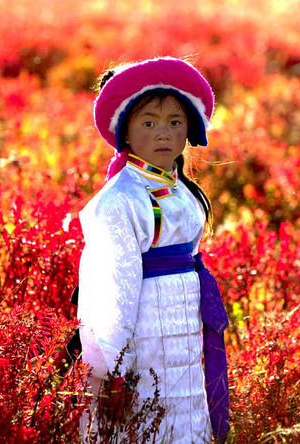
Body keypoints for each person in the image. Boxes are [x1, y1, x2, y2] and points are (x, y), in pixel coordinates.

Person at [75, 57, 230, 443]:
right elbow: (111, 294)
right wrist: (112, 369)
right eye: (149, 122)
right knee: (143, 422)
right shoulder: (118, 201)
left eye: (175, 122)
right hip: (141, 335)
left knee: (187, 418)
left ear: (189, 131)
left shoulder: (184, 189)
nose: (164, 134)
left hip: (185, 329)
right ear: (124, 133)